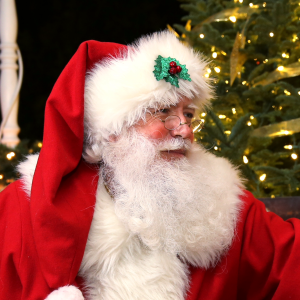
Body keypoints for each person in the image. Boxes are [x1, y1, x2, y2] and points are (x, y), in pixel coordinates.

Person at [1, 31, 300, 300]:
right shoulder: (20, 209)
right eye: (164, 112)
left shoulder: (221, 201)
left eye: (189, 114)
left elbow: (290, 262)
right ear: (114, 129)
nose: (184, 130)